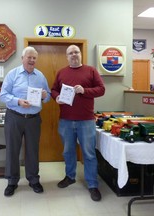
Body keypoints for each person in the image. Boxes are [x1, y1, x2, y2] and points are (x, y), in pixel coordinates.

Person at [51, 45, 105, 201]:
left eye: (76, 52)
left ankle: (93, 184)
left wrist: (84, 91)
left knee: (88, 154)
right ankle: (70, 176)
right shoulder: (61, 72)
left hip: (86, 121)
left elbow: (101, 89)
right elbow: (54, 90)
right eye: (70, 53)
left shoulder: (91, 70)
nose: (73, 55)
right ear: (66, 57)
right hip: (66, 120)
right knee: (68, 152)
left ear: (80, 54)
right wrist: (56, 97)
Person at [0, 46, 51, 197]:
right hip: (14, 116)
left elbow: (48, 96)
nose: (32, 60)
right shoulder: (12, 74)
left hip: (33, 120)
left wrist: (44, 95)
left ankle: (34, 180)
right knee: (12, 150)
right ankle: (12, 181)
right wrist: (18, 101)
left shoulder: (40, 76)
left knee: (32, 150)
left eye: (34, 58)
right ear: (22, 58)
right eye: (29, 57)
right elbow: (3, 95)